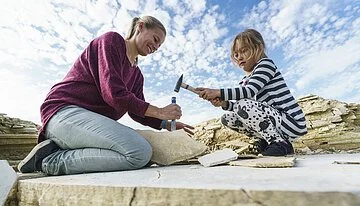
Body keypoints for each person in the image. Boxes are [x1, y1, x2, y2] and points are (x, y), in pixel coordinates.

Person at [18, 16, 194, 175]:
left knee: (141, 154)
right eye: (155, 39)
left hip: (86, 124)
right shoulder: (112, 41)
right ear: (140, 27)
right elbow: (114, 94)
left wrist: (167, 124)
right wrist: (161, 111)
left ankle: (56, 148)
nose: (156, 47)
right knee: (139, 152)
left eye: (159, 46)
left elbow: (136, 111)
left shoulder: (137, 75)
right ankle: (49, 161)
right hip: (63, 113)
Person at [196, 29, 307, 156]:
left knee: (242, 104)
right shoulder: (245, 80)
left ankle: (279, 143)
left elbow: (248, 92)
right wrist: (225, 104)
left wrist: (217, 92)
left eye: (243, 51)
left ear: (259, 48)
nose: (239, 57)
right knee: (227, 118)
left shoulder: (266, 65)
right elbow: (246, 109)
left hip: (291, 121)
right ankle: (266, 140)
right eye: (236, 54)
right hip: (276, 121)